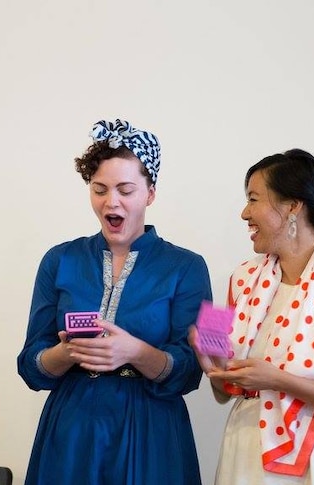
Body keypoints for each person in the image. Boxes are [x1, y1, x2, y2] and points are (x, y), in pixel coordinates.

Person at [17, 119, 212, 485]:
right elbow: (30, 363)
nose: (112, 201)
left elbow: (191, 372)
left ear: (150, 193)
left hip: (151, 428)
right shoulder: (60, 260)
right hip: (72, 428)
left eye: (126, 189)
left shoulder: (186, 266)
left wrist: (135, 352)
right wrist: (64, 354)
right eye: (100, 189)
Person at [190, 149, 314, 485]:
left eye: (253, 199)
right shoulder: (239, 279)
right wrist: (207, 356)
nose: (244, 213)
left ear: (293, 206)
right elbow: (224, 390)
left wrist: (280, 381)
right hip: (244, 457)